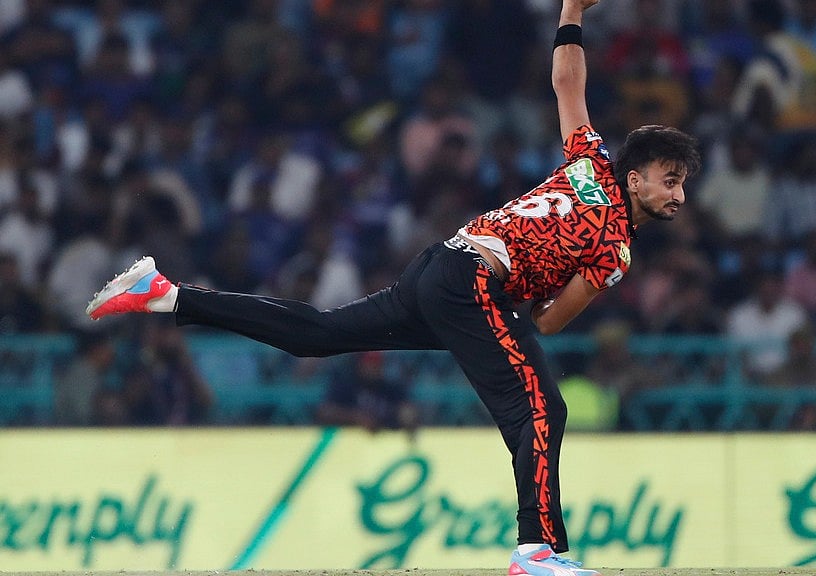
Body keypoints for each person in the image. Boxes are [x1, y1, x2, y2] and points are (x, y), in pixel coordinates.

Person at [85, 0, 700, 573]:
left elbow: (567, 80)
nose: (677, 195)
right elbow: (548, 323)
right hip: (473, 286)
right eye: (669, 180)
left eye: (681, 184)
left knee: (318, 334)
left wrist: (570, 9)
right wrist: (537, 293)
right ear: (636, 178)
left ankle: (166, 293)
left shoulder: (588, 160)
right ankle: (537, 551)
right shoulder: (615, 250)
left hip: (442, 265)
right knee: (541, 408)